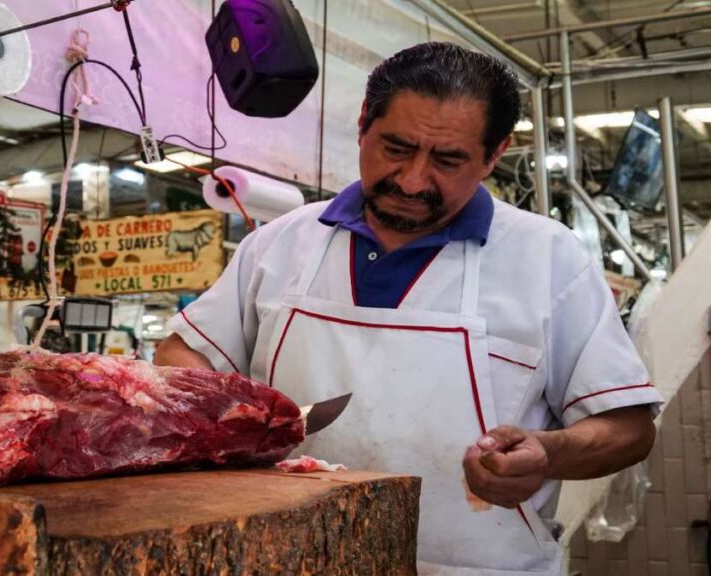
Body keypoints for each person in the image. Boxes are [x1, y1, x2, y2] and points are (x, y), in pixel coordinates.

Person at [155, 42, 661, 575]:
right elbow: (183, 354)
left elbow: (628, 428)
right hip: (288, 558)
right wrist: (222, 422)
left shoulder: (549, 258)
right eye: (395, 148)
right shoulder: (282, 243)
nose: (413, 180)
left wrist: (548, 453)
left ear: (494, 154)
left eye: (447, 161)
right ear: (362, 127)